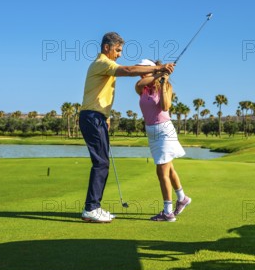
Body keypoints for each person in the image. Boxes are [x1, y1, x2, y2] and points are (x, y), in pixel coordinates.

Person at [80, 32, 175, 223]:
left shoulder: (105, 65)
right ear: (107, 47)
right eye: (118, 50)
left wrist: (106, 116)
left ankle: (94, 206)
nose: (119, 54)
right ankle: (91, 208)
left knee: (102, 162)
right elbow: (130, 70)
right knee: (101, 163)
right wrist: (160, 67)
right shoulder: (102, 63)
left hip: (97, 117)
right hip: (91, 117)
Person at [135, 59, 191, 222]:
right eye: (139, 70)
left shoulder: (164, 85)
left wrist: (164, 81)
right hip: (152, 132)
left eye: (144, 69)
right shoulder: (141, 87)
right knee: (169, 168)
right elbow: (143, 81)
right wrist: (159, 72)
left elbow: (165, 107)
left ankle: (168, 212)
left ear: (151, 69)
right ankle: (182, 198)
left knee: (162, 171)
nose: (141, 72)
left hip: (164, 131)